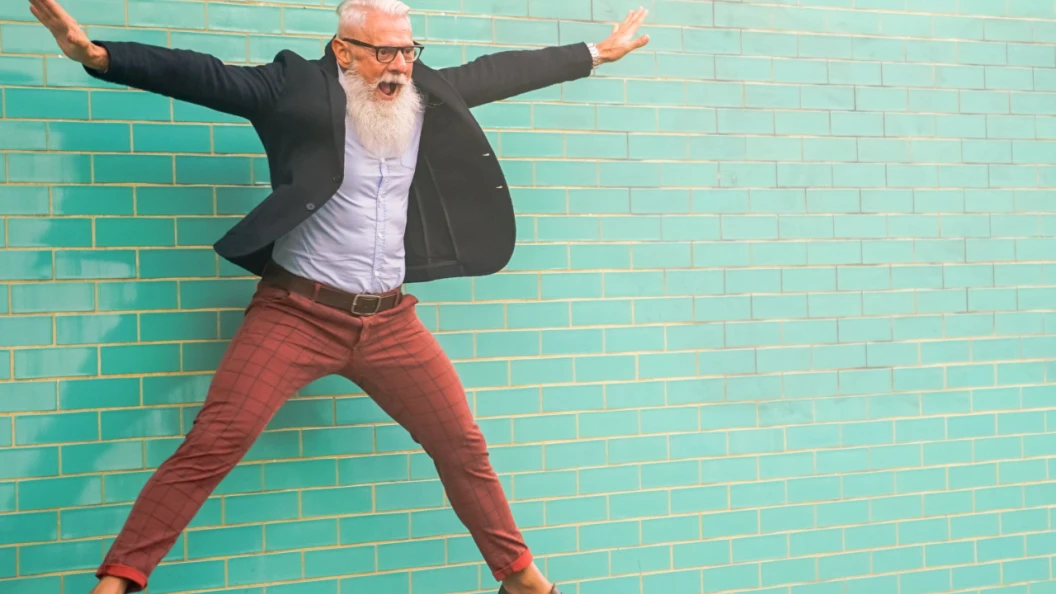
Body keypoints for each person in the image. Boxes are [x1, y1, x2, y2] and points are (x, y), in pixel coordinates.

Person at [27, 0, 649, 592]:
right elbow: (207, 77)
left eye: (408, 51)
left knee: (462, 445)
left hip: (390, 323)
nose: (399, 66)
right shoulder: (295, 88)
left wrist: (596, 52)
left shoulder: (422, 93)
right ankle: (120, 579)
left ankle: (520, 578)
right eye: (383, 53)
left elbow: (500, 72)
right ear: (343, 50)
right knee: (213, 442)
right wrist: (98, 55)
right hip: (295, 314)